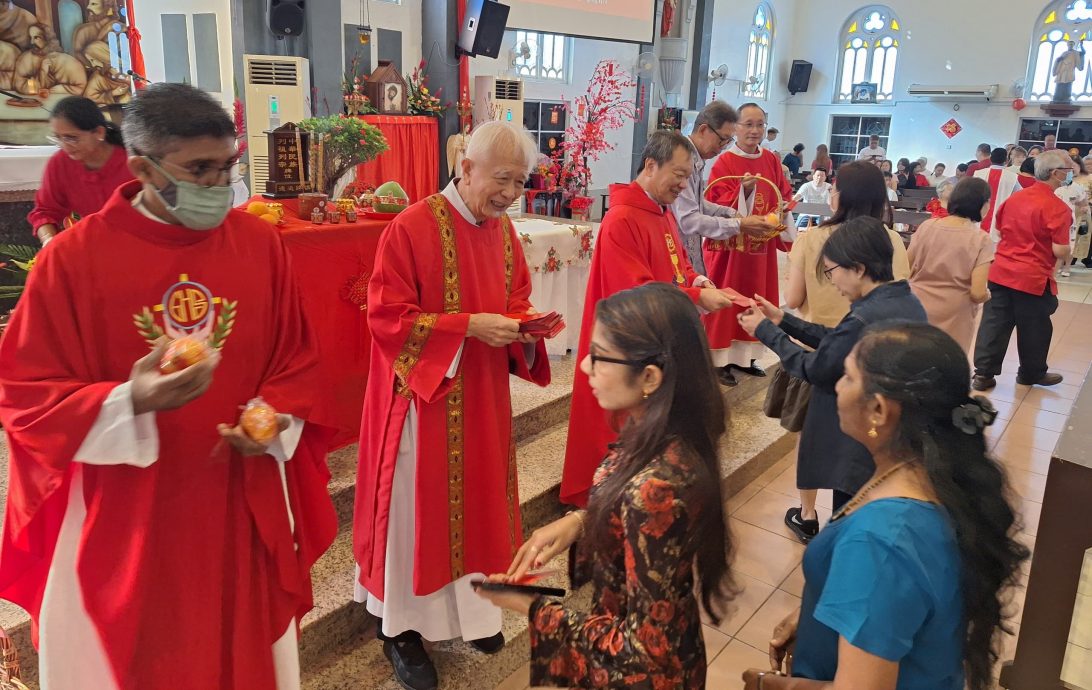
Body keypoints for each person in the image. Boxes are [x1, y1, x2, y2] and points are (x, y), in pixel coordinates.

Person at [0, 82, 336, 688]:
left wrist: (273, 415)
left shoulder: (261, 245)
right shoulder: (71, 261)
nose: (218, 185)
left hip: (238, 491)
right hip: (128, 510)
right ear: (142, 168)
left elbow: (297, 357)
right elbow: (25, 395)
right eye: (199, 169)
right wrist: (128, 401)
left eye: (227, 166)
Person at [352, 121, 551, 690]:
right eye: (502, 180)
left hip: (482, 397)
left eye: (519, 182)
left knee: (482, 504)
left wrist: (524, 328)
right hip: (423, 402)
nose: (511, 193)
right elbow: (387, 318)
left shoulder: (502, 231)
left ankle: (474, 613)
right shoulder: (411, 227)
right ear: (466, 168)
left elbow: (515, 296)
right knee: (420, 511)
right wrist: (466, 329)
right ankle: (401, 629)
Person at [743, 322, 1029, 690]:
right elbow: (900, 600)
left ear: (878, 409)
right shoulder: (934, 476)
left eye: (847, 377)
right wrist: (819, 612)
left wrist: (773, 685)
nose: (836, 387)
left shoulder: (881, 541)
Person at [479, 282, 737, 689]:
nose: (584, 367)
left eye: (599, 357)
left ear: (650, 376)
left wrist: (534, 608)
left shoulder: (658, 488)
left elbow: (648, 652)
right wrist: (582, 521)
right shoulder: (669, 430)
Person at [560, 131, 739, 507]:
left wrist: (697, 280)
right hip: (626, 350)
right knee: (615, 434)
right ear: (650, 165)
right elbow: (635, 290)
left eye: (688, 175)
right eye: (677, 173)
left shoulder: (660, 211)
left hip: (657, 346)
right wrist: (696, 297)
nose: (682, 183)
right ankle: (607, 501)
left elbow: (677, 265)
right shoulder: (622, 219)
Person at [777, 163, 911, 543]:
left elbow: (794, 298)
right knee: (863, 440)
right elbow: (897, 294)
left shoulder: (813, 239)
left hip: (820, 351)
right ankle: (856, 512)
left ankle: (806, 513)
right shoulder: (892, 240)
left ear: (840, 195)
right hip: (873, 358)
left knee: (813, 434)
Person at [704, 102, 795, 386]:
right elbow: (712, 202)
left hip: (761, 248)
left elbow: (783, 194)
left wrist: (785, 210)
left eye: (760, 125)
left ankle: (746, 357)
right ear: (736, 128)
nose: (755, 131)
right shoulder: (724, 162)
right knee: (727, 298)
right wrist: (741, 191)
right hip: (731, 249)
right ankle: (719, 360)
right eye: (748, 125)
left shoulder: (771, 160)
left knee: (755, 298)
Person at [972, 149, 1073, 391]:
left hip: (1001, 269)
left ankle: (983, 375)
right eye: (1068, 171)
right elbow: (1060, 250)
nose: (1069, 175)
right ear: (1056, 173)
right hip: (1033, 275)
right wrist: (1066, 253)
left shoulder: (1015, 199)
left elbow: (1000, 230)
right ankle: (1031, 372)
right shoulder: (1057, 208)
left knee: (994, 324)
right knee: (1035, 326)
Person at [672, 100, 774, 274]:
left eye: (728, 141)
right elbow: (688, 220)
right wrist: (739, 224)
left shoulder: (697, 159)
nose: (723, 147)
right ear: (703, 130)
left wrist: (732, 213)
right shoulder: (682, 159)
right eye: (722, 140)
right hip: (675, 255)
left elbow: (697, 204)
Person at [27, 95, 134, 246]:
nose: (65, 146)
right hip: (95, 246)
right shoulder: (61, 163)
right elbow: (45, 211)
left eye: (72, 138)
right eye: (58, 138)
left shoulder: (131, 161)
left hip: (140, 243)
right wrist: (49, 241)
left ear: (99, 133)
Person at [908, 177, 995, 353]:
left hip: (918, 305)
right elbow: (977, 293)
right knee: (948, 363)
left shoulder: (927, 226)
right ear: (982, 204)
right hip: (956, 313)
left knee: (915, 359)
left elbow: (906, 267)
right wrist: (988, 295)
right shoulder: (981, 239)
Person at [974, 147, 1022, 241]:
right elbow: (1020, 197)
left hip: (977, 219)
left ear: (991, 158)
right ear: (1007, 160)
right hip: (999, 223)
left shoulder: (978, 174)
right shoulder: (1012, 177)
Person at [1054, 155, 1088, 278]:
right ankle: (1056, 265)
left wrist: (1082, 207)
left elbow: (1083, 203)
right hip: (1054, 218)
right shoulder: (1056, 185)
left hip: (1071, 219)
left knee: (1069, 243)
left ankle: (1067, 266)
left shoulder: (1077, 187)